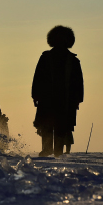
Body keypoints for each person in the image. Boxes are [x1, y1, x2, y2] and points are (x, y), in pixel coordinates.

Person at [31, 25, 83, 157]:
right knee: (47, 126)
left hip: (66, 100)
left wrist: (77, 99)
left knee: (61, 127)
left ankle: (57, 151)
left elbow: (78, 82)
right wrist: (35, 95)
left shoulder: (73, 60)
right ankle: (47, 149)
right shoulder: (46, 57)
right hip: (48, 98)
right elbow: (38, 77)